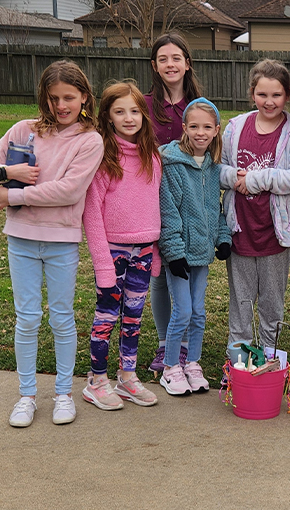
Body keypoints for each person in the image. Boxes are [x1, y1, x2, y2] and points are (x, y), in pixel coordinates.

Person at [0, 60, 104, 427]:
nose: (61, 106)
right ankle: (27, 395)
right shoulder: (22, 130)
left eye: (69, 97)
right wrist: (8, 173)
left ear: (83, 97)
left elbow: (69, 190)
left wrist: (14, 196)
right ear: (43, 99)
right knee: (27, 318)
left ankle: (63, 393)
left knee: (62, 319)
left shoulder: (89, 140)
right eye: (53, 98)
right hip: (21, 240)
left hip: (62, 242)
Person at [219, 58, 290, 351]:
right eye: (262, 95)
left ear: (287, 95)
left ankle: (269, 355)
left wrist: (257, 179)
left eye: (276, 95)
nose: (269, 102)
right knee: (241, 300)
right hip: (240, 229)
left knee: (272, 301)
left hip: (275, 232)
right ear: (252, 93)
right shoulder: (235, 128)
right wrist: (234, 176)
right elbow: (217, 169)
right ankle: (239, 357)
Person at [81, 81, 162, 410]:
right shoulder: (102, 159)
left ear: (143, 114)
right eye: (119, 111)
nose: (128, 118)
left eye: (134, 110)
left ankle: (127, 376)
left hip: (143, 253)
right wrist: (102, 264)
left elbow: (152, 206)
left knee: (133, 317)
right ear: (108, 116)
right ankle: (96, 380)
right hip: (111, 255)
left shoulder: (152, 158)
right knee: (106, 317)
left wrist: (153, 253)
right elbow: (92, 214)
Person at [158, 98, 231, 395]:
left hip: (202, 254)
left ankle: (193, 363)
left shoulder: (214, 169)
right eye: (194, 126)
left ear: (216, 130)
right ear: (185, 128)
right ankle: (170, 366)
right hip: (180, 255)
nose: (200, 133)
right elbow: (168, 211)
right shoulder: (173, 165)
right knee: (183, 312)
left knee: (199, 312)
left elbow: (217, 208)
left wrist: (223, 238)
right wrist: (174, 253)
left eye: (206, 127)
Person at [145, 33, 204, 373]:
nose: (170, 64)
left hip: (190, 203)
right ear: (155, 65)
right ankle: (165, 342)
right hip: (152, 200)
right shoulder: (144, 104)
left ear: (187, 63)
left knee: (187, 269)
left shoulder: (198, 106)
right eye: (163, 59)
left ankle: (184, 343)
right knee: (159, 272)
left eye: (176, 58)